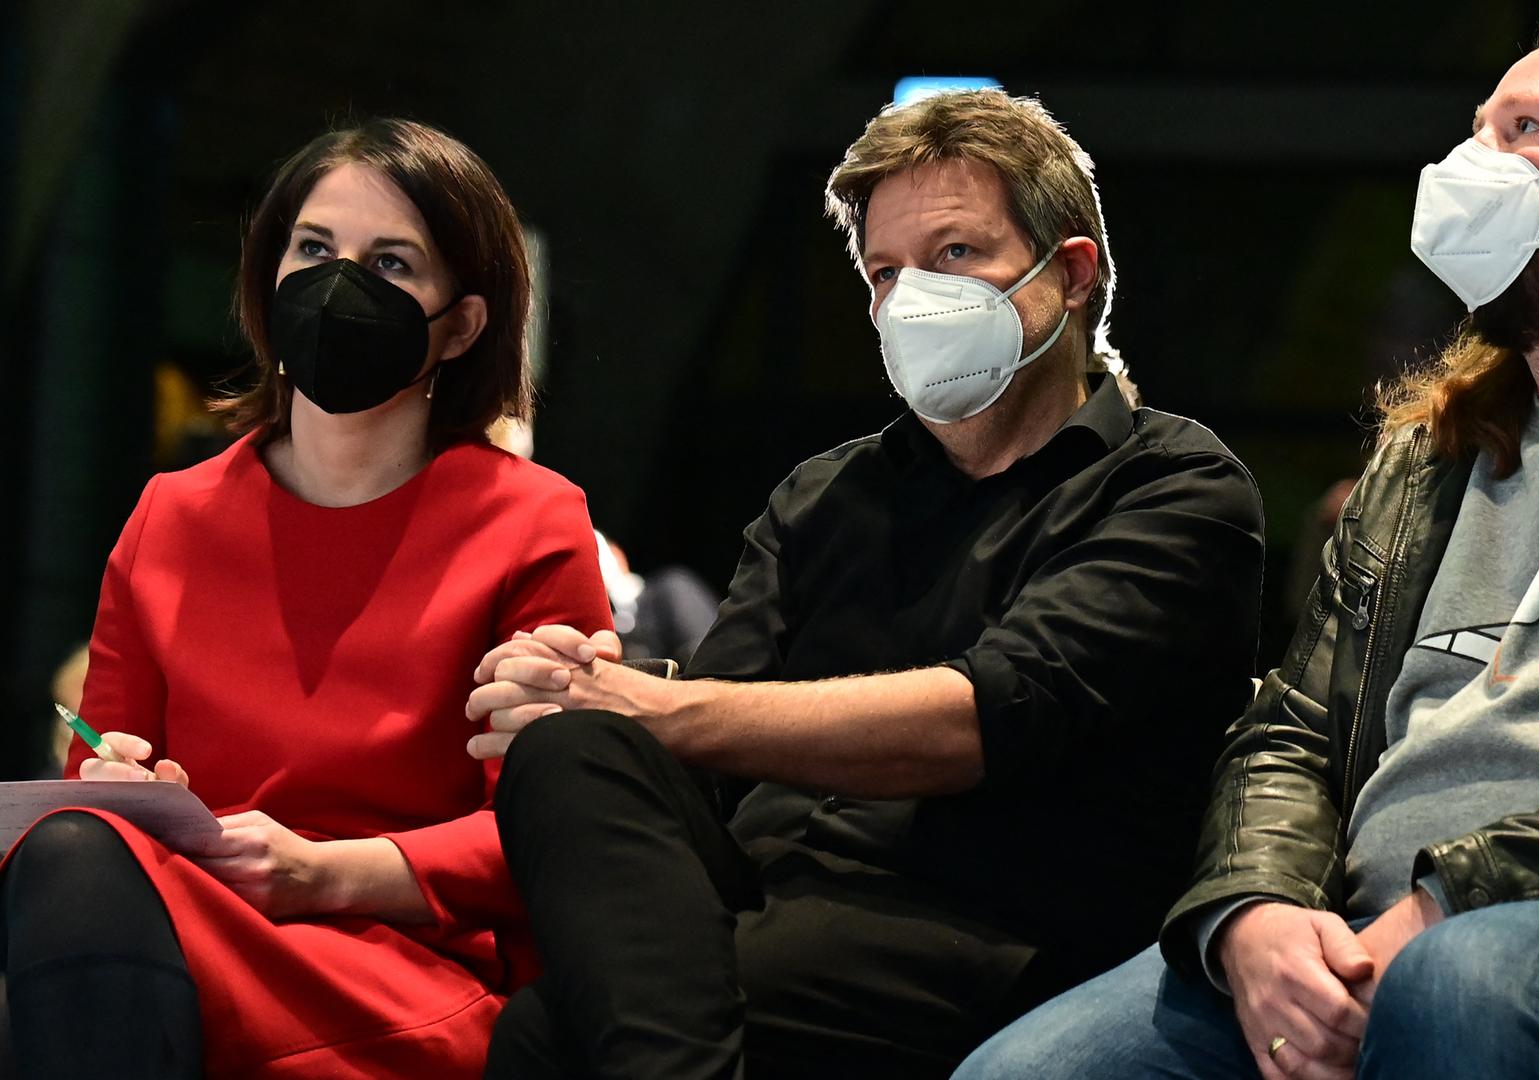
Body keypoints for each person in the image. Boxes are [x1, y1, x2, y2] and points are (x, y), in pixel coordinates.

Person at [958, 18, 1539, 1080]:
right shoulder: (1427, 455)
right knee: (1023, 1072)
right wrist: (1253, 911)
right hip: (1373, 924)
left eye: (1527, 131)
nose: (1472, 166)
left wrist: (1453, 898)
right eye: (1475, 131)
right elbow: (1292, 729)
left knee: (1462, 981)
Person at [465, 89, 1266, 1078]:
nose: (913, 297)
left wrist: (657, 708)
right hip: (771, 901)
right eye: (887, 271)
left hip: (992, 927)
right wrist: (583, 686)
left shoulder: (1174, 486)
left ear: (1069, 274)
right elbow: (711, 753)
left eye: (956, 255)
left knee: (549, 1036)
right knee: (572, 752)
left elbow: (985, 718)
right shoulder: (825, 495)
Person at [0, 118, 612, 1079]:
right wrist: (130, 790)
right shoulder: (173, 513)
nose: (339, 286)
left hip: (400, 964)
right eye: (315, 249)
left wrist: (324, 873)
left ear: (462, 325)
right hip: (188, 926)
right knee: (78, 850)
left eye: (394, 263)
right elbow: (98, 774)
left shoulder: (530, 520)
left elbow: (556, 832)